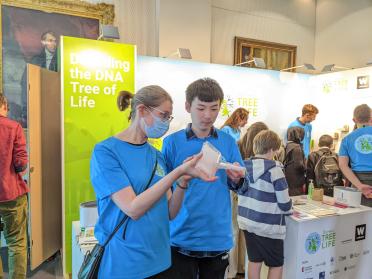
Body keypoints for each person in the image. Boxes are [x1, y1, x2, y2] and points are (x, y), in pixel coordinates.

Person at [90, 86, 216, 279]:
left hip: (161, 261)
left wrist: (182, 181)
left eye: (169, 117)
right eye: (163, 115)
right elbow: (133, 208)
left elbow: (170, 212)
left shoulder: (157, 156)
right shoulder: (106, 152)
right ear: (141, 110)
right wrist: (177, 172)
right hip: (125, 262)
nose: (166, 122)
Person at [162, 78, 245, 279]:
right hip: (181, 237)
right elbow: (164, 189)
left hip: (217, 237)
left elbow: (240, 187)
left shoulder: (228, 142)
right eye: (201, 108)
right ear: (187, 106)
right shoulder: (171, 143)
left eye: (214, 109)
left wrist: (236, 179)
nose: (208, 116)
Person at [237, 130, 292, 279]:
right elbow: (285, 203)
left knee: (254, 260)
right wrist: (290, 207)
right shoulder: (275, 170)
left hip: (248, 223)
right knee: (276, 264)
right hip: (269, 226)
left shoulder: (243, 167)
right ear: (273, 150)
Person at [0, 93, 29, 279]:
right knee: (16, 242)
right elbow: (20, 164)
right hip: (10, 194)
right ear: (3, 104)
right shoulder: (13, 127)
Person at [220, 107, 248, 278]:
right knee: (234, 228)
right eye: (245, 119)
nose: (246, 123)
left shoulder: (238, 132)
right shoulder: (226, 132)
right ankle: (231, 269)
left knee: (240, 228)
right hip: (230, 182)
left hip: (240, 182)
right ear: (238, 117)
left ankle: (240, 267)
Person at [339, 104, 372, 207]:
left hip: (358, 181)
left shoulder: (346, 139)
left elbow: (343, 165)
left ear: (354, 120)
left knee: (361, 220)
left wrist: (359, 186)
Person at [284, 127, 306, 196]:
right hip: (296, 178)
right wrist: (305, 169)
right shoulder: (296, 147)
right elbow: (299, 165)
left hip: (287, 176)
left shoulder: (286, 145)